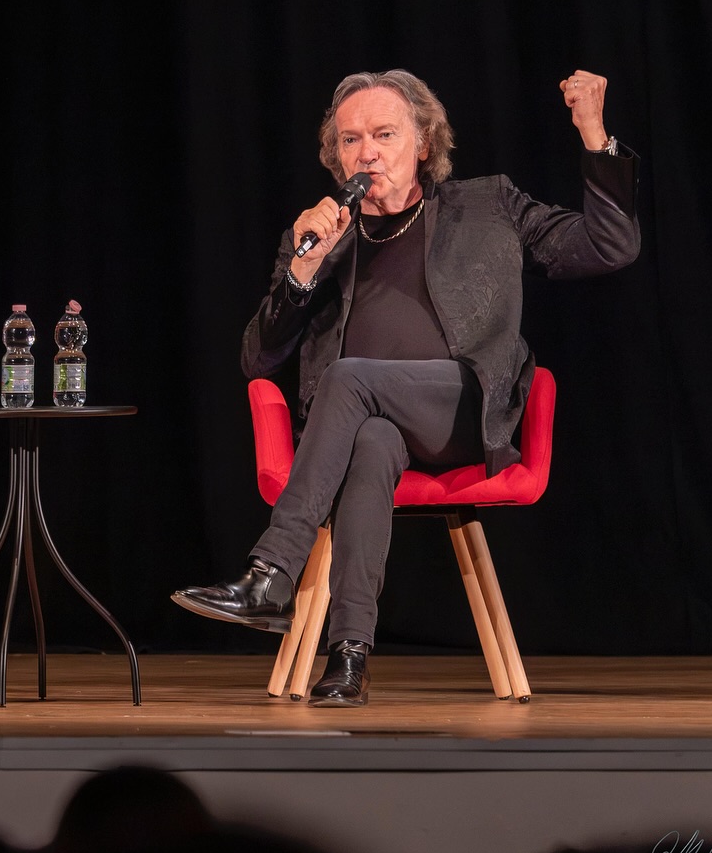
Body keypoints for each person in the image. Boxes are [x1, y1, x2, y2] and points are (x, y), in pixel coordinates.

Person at [172, 68, 640, 706]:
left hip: (463, 413)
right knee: (369, 440)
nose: (365, 151)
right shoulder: (319, 234)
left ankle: (271, 571)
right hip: (364, 423)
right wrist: (305, 267)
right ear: (336, 155)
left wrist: (593, 133)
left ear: (422, 142)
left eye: (384, 134)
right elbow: (259, 357)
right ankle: (349, 658)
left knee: (350, 378)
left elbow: (610, 247)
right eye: (350, 139)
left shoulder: (487, 203)